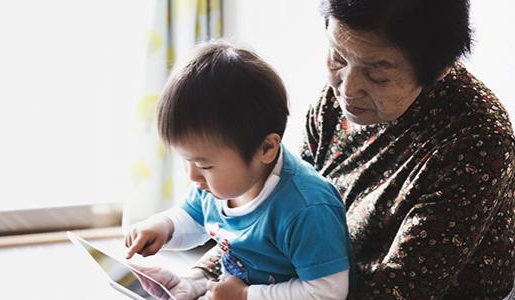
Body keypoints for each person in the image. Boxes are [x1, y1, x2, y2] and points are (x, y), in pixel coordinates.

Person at [132, 0, 515, 299]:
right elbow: (276, 213)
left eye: (377, 74)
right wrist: (201, 279)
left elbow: (400, 290)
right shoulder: (338, 102)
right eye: (338, 56)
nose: (348, 89)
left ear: (440, 68)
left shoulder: (477, 141)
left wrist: (249, 294)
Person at [124, 41, 352, 300]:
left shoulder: (306, 209)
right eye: (186, 161)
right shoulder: (214, 185)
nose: (192, 176)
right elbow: (193, 219)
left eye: (204, 165)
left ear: (266, 148)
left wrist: (245, 296)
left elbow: (327, 292)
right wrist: (163, 228)